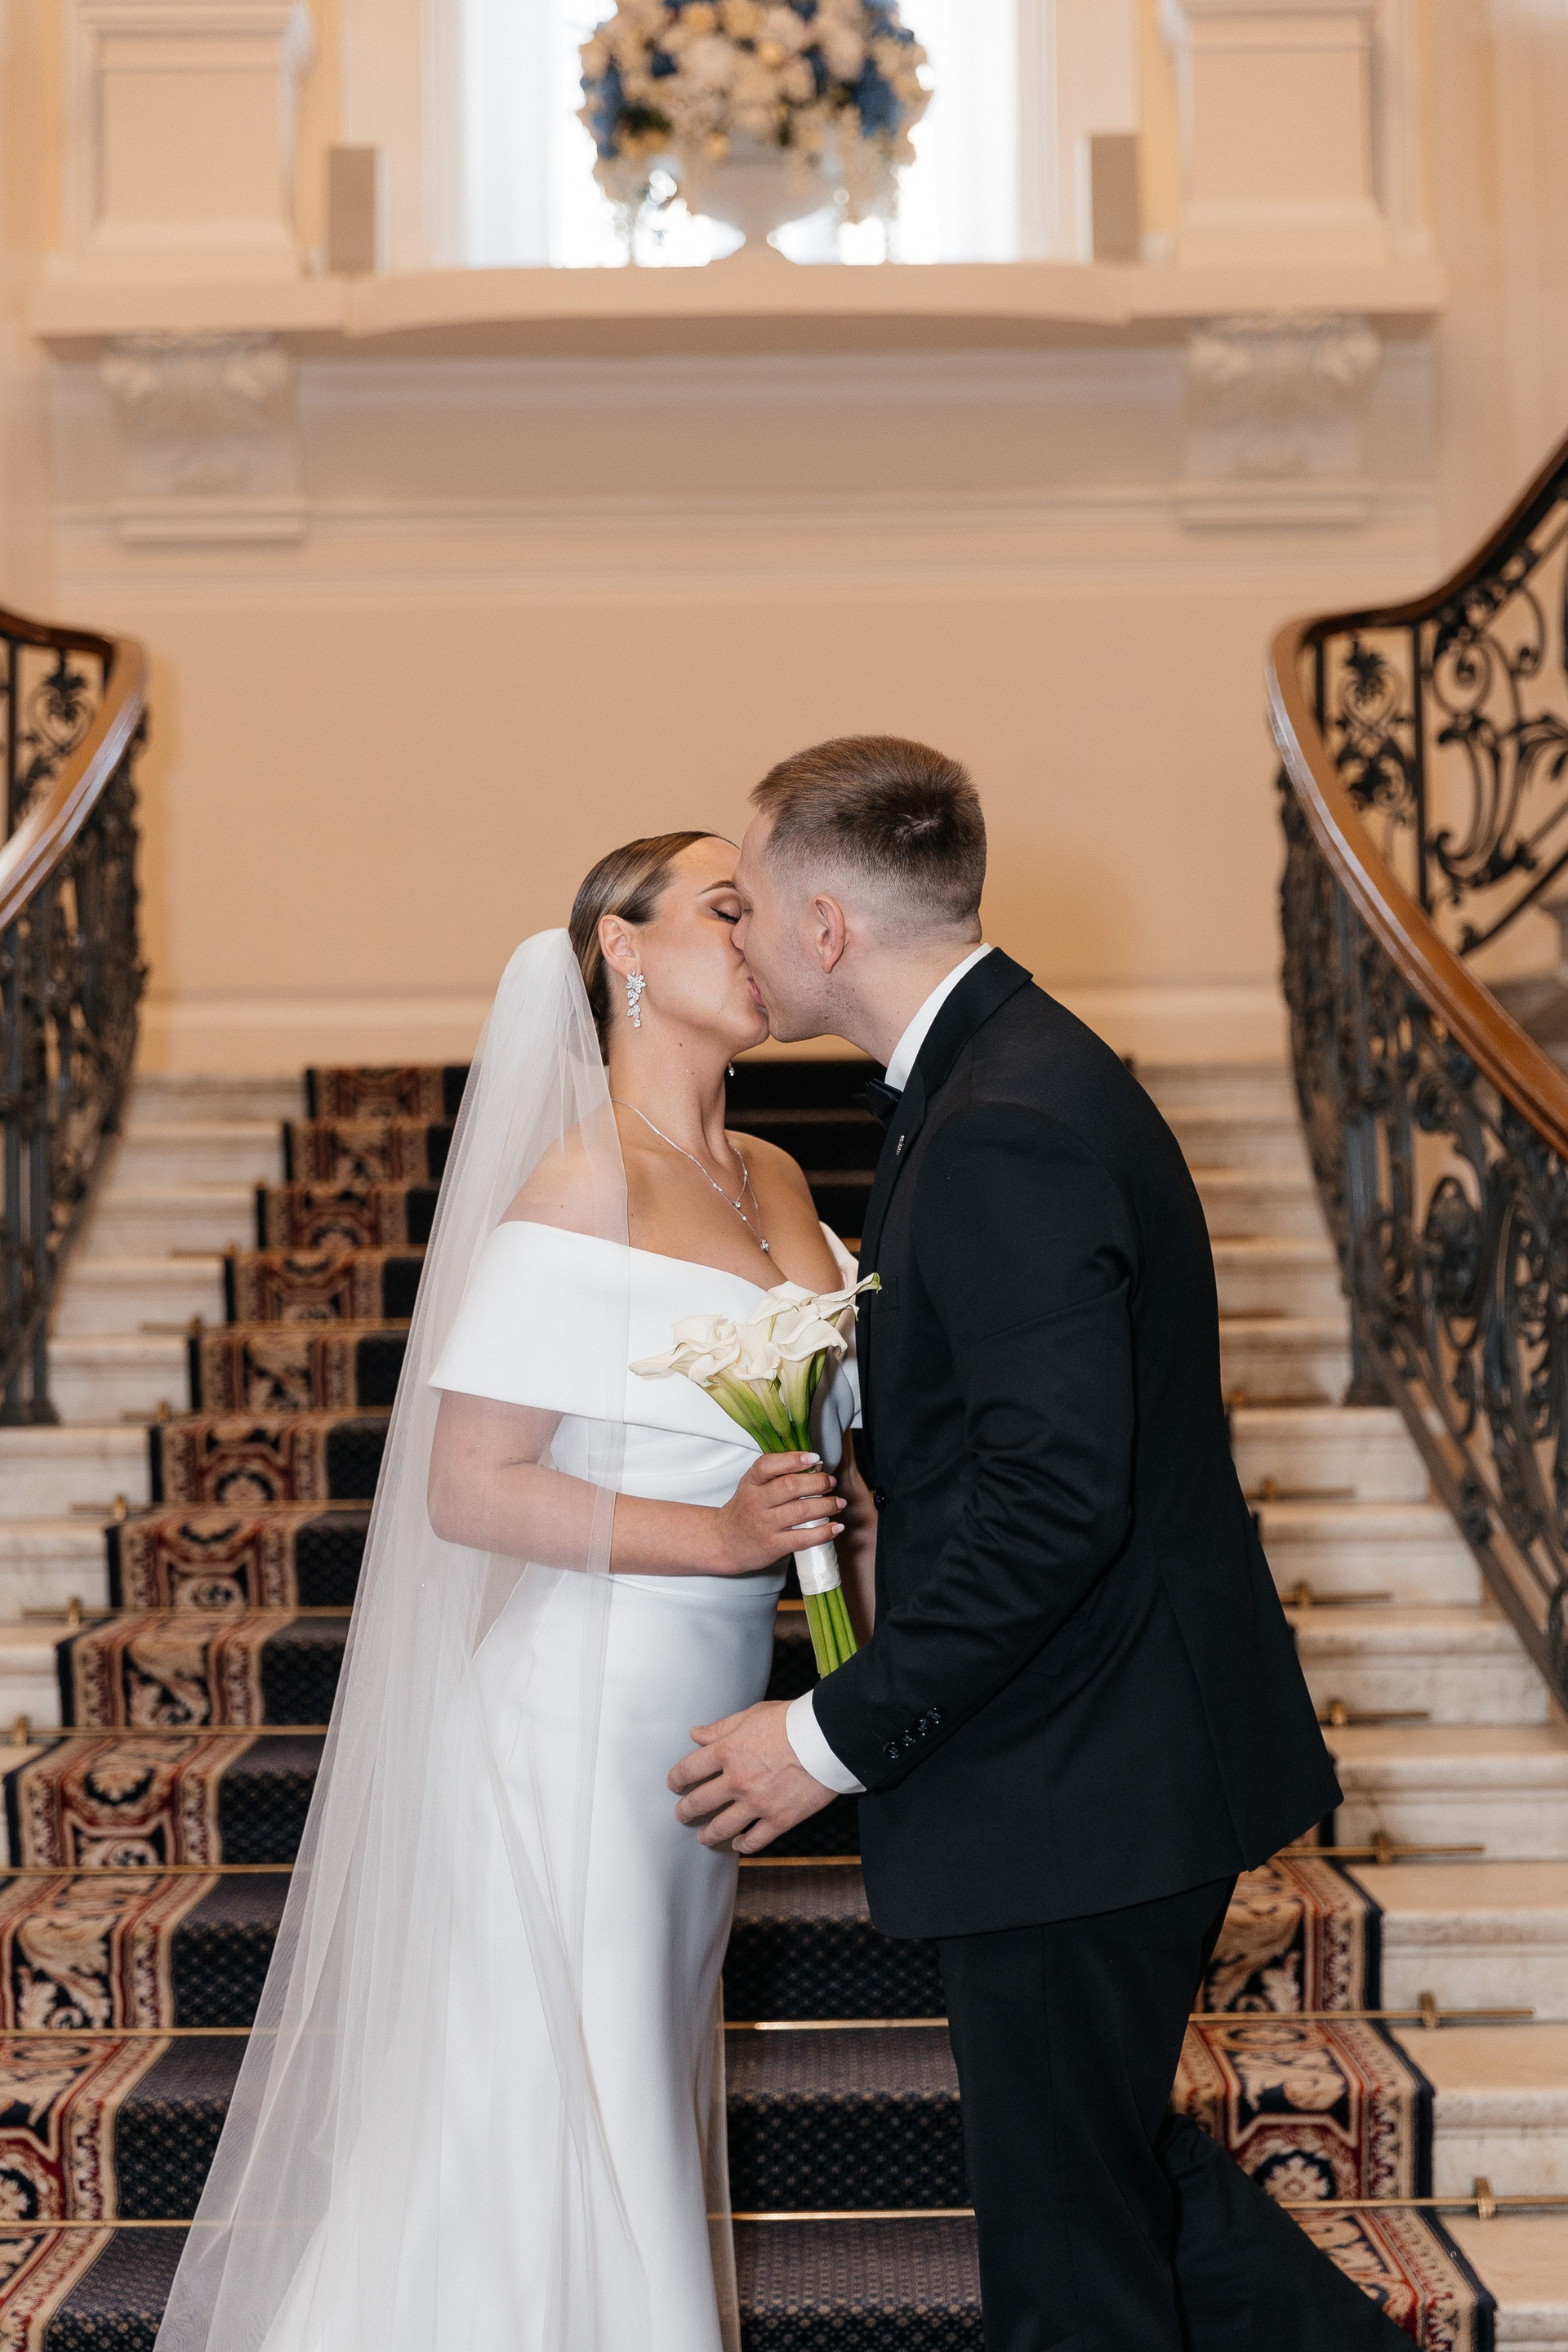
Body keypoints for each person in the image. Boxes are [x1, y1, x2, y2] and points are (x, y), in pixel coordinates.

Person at [668, 737, 1413, 2349]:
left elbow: (1054, 1504)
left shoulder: (1007, 1116)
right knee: (1115, 2183)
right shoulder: (1001, 1073)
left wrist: (825, 1734)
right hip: (1094, 1756)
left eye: (752, 903)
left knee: (1069, 2268)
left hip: (1087, 1770)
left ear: (825, 925)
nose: (741, 937)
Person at [154, 832, 871, 2352]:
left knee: (619, 2096)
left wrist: (838, 1555)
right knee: (564, 2120)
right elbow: (469, 1487)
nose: (759, 935)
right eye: (725, 907)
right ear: (621, 947)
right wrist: (725, 1539)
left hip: (701, 1728)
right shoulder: (582, 1176)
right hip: (568, 1730)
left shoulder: (776, 1173)